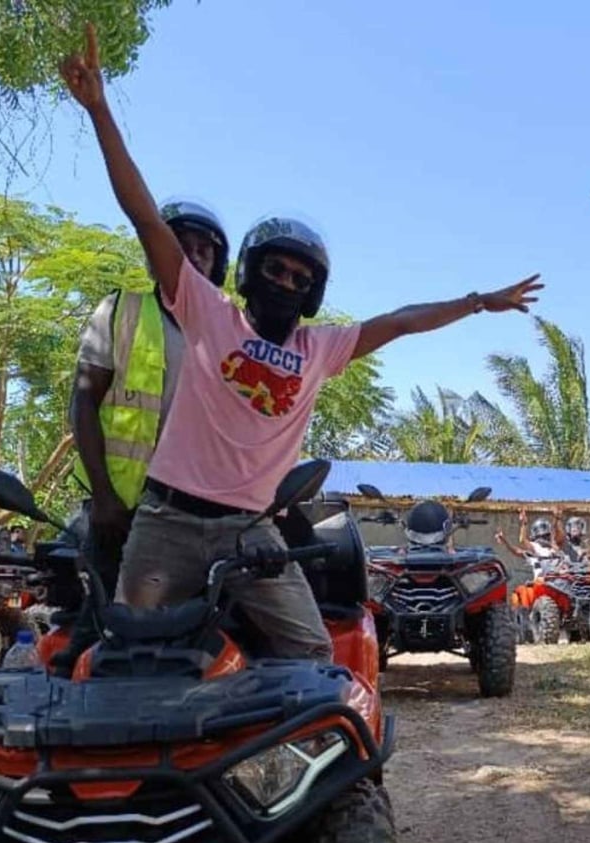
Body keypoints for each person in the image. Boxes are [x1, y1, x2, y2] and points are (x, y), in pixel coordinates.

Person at [60, 25, 541, 660]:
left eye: (300, 277)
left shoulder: (322, 348)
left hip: (248, 530)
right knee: (128, 655)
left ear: (312, 291)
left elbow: (400, 320)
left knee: (314, 656)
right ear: (250, 272)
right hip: (167, 523)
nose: (286, 282)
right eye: (275, 270)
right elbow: (146, 215)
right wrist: (99, 111)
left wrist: (477, 302)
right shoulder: (210, 314)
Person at [70, 198, 231, 596]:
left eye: (203, 250)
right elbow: (84, 402)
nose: (192, 258)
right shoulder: (121, 310)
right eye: (179, 247)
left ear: (218, 264)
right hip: (119, 512)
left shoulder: (232, 333)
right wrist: (104, 497)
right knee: (103, 633)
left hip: (196, 517)